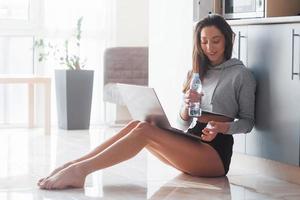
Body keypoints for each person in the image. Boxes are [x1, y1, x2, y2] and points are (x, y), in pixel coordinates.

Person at [38, 14, 256, 190]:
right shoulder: (197, 72)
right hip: (192, 140)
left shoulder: (241, 75)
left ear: (228, 39)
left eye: (215, 40)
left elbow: (248, 122)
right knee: (136, 125)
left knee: (143, 131)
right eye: (204, 41)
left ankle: (81, 171)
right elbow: (182, 124)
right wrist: (186, 109)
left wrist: (223, 127)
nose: (210, 47)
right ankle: (74, 164)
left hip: (214, 154)